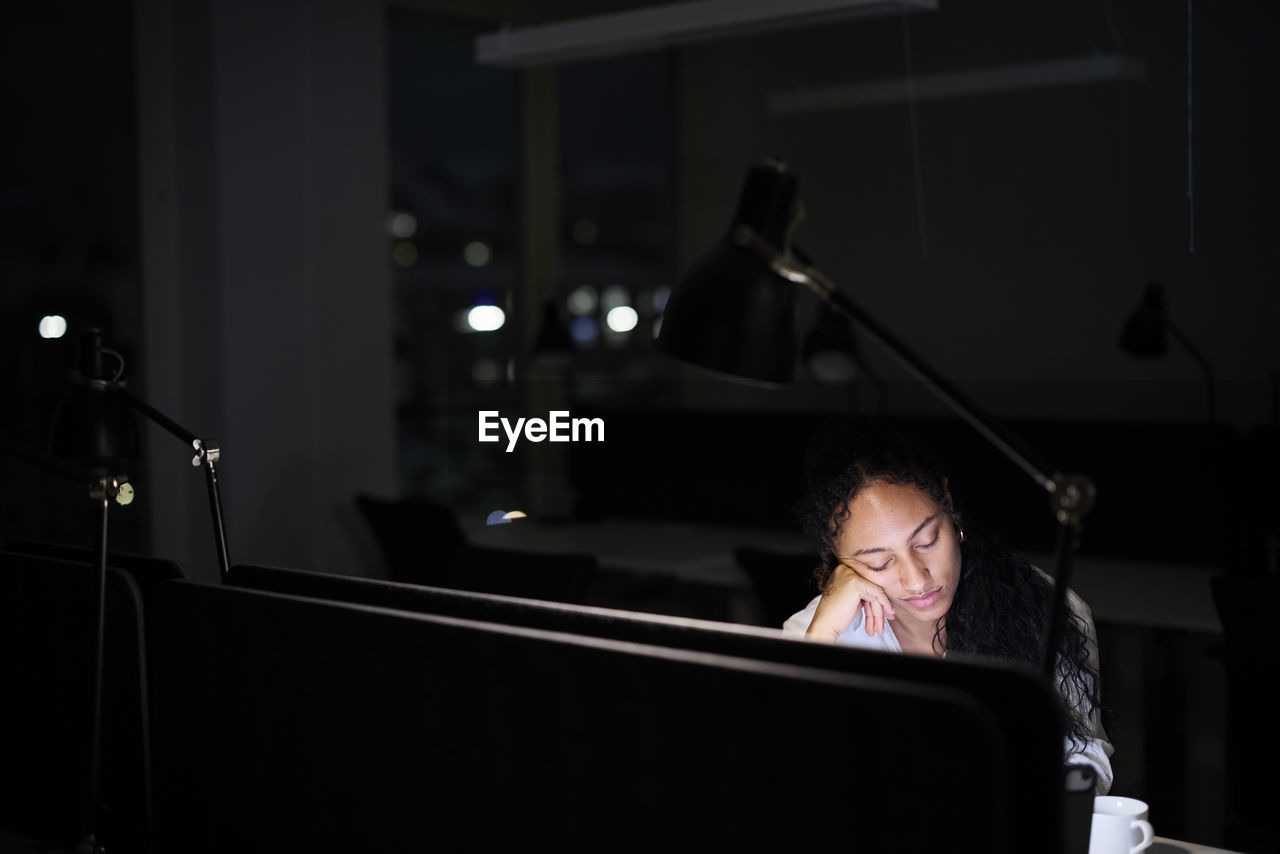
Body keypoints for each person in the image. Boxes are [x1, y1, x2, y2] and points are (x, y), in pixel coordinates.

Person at [782, 417, 1114, 794]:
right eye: (879, 563)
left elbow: (1084, 761)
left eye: (926, 541)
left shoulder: (1042, 608)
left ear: (949, 503)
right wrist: (822, 636)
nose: (917, 579)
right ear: (837, 556)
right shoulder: (814, 633)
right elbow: (788, 770)